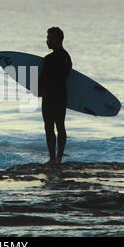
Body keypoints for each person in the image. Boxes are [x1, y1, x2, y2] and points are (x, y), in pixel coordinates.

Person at [38, 27, 72, 165]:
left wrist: (39, 91)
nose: (47, 41)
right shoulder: (67, 57)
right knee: (60, 126)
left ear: (57, 40)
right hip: (62, 95)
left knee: (49, 127)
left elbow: (43, 78)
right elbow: (66, 76)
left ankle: (52, 158)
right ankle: (59, 157)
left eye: (49, 38)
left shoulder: (49, 59)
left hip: (50, 96)